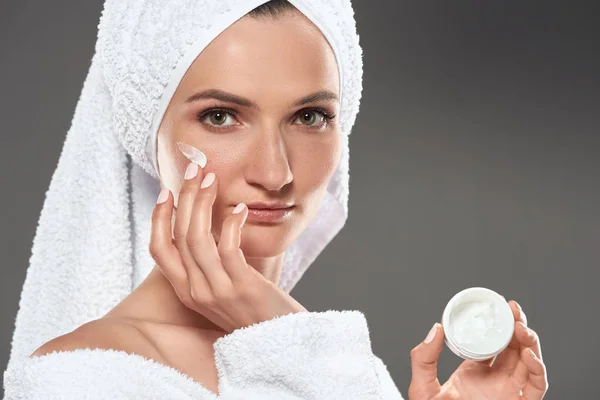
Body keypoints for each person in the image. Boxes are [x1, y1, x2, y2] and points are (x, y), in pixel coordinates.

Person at [3, 1, 548, 399]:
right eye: (221, 116)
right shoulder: (75, 379)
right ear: (148, 134)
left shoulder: (308, 346)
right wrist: (280, 327)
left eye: (310, 117)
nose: (275, 172)